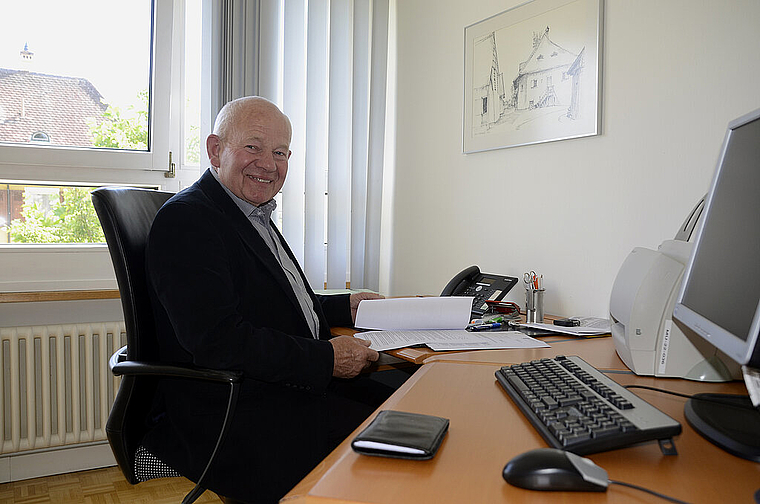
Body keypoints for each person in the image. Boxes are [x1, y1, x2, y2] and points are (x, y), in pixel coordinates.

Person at [141, 96, 390, 503]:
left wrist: (346, 306)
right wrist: (328, 358)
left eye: (280, 153)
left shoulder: (247, 213)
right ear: (215, 150)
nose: (269, 164)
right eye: (253, 147)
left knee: (408, 402)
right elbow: (217, 340)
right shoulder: (189, 220)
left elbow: (272, 304)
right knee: (401, 436)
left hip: (276, 387)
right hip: (235, 411)